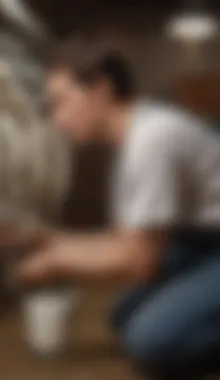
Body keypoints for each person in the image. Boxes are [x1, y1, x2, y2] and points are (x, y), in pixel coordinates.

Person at [14, 36, 220, 379]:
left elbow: (138, 260)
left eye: (61, 102)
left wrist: (57, 259)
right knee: (123, 316)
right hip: (199, 241)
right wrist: (50, 239)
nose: (57, 120)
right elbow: (125, 238)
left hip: (209, 242)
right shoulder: (132, 138)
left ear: (100, 90)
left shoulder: (151, 139)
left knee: (151, 343)